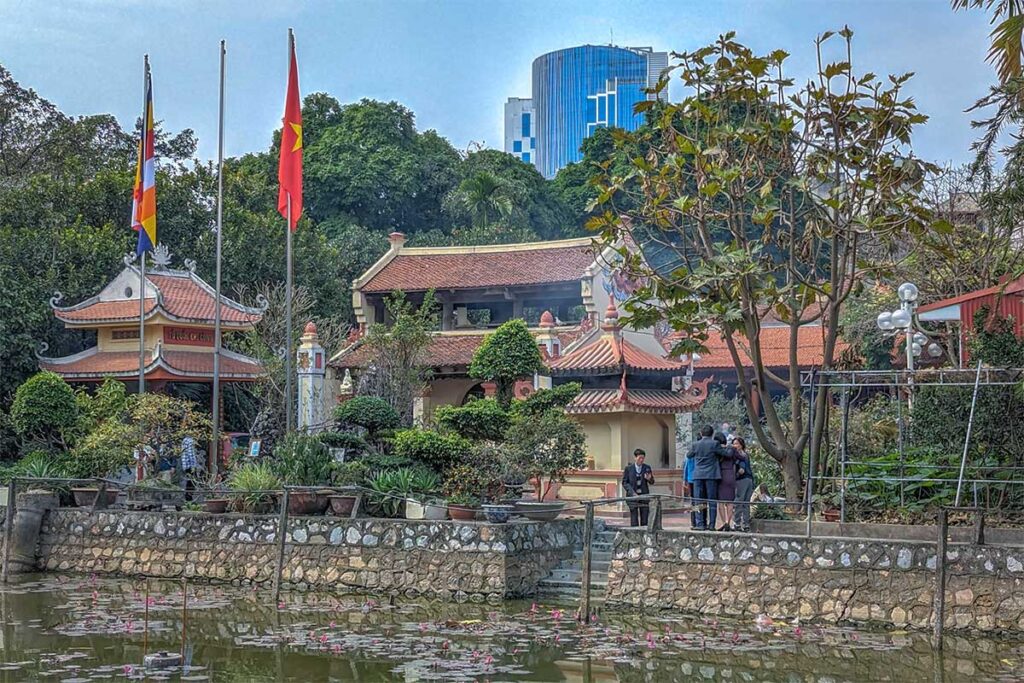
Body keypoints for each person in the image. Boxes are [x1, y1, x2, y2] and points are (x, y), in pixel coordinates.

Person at [685, 425, 730, 531]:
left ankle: (700, 524)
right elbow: (726, 454)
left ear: (701, 433)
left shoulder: (696, 444)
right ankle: (711, 525)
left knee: (698, 500)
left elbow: (689, 455)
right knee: (712, 500)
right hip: (711, 475)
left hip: (698, 475)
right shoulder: (715, 444)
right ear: (712, 433)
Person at [622, 448, 655, 527]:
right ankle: (635, 534)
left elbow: (652, 482)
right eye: (640, 458)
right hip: (633, 497)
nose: (641, 460)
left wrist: (649, 479)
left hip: (644, 497)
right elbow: (624, 482)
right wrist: (632, 492)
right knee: (634, 518)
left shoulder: (647, 468)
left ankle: (644, 535)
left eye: (643, 458)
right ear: (635, 457)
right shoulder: (629, 469)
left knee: (644, 518)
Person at [716, 432, 738, 531]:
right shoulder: (731, 449)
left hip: (720, 475)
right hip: (730, 474)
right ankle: (728, 523)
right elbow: (740, 457)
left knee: (720, 501)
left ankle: (723, 522)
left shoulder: (717, 450)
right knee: (730, 502)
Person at [732, 437, 754, 533]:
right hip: (749, 479)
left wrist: (734, 476)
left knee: (739, 501)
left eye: (736, 443)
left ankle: (737, 523)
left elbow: (741, 470)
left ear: (741, 445)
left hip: (742, 480)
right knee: (746, 503)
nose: (734, 446)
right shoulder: (746, 455)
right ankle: (746, 524)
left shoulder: (740, 455)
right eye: (734, 444)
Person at [683, 444, 697, 529]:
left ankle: (693, 522)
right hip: (697, 480)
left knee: (693, 501)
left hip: (690, 480)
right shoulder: (697, 457)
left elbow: (685, 469)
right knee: (698, 501)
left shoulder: (688, 456)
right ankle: (697, 521)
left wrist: (684, 480)